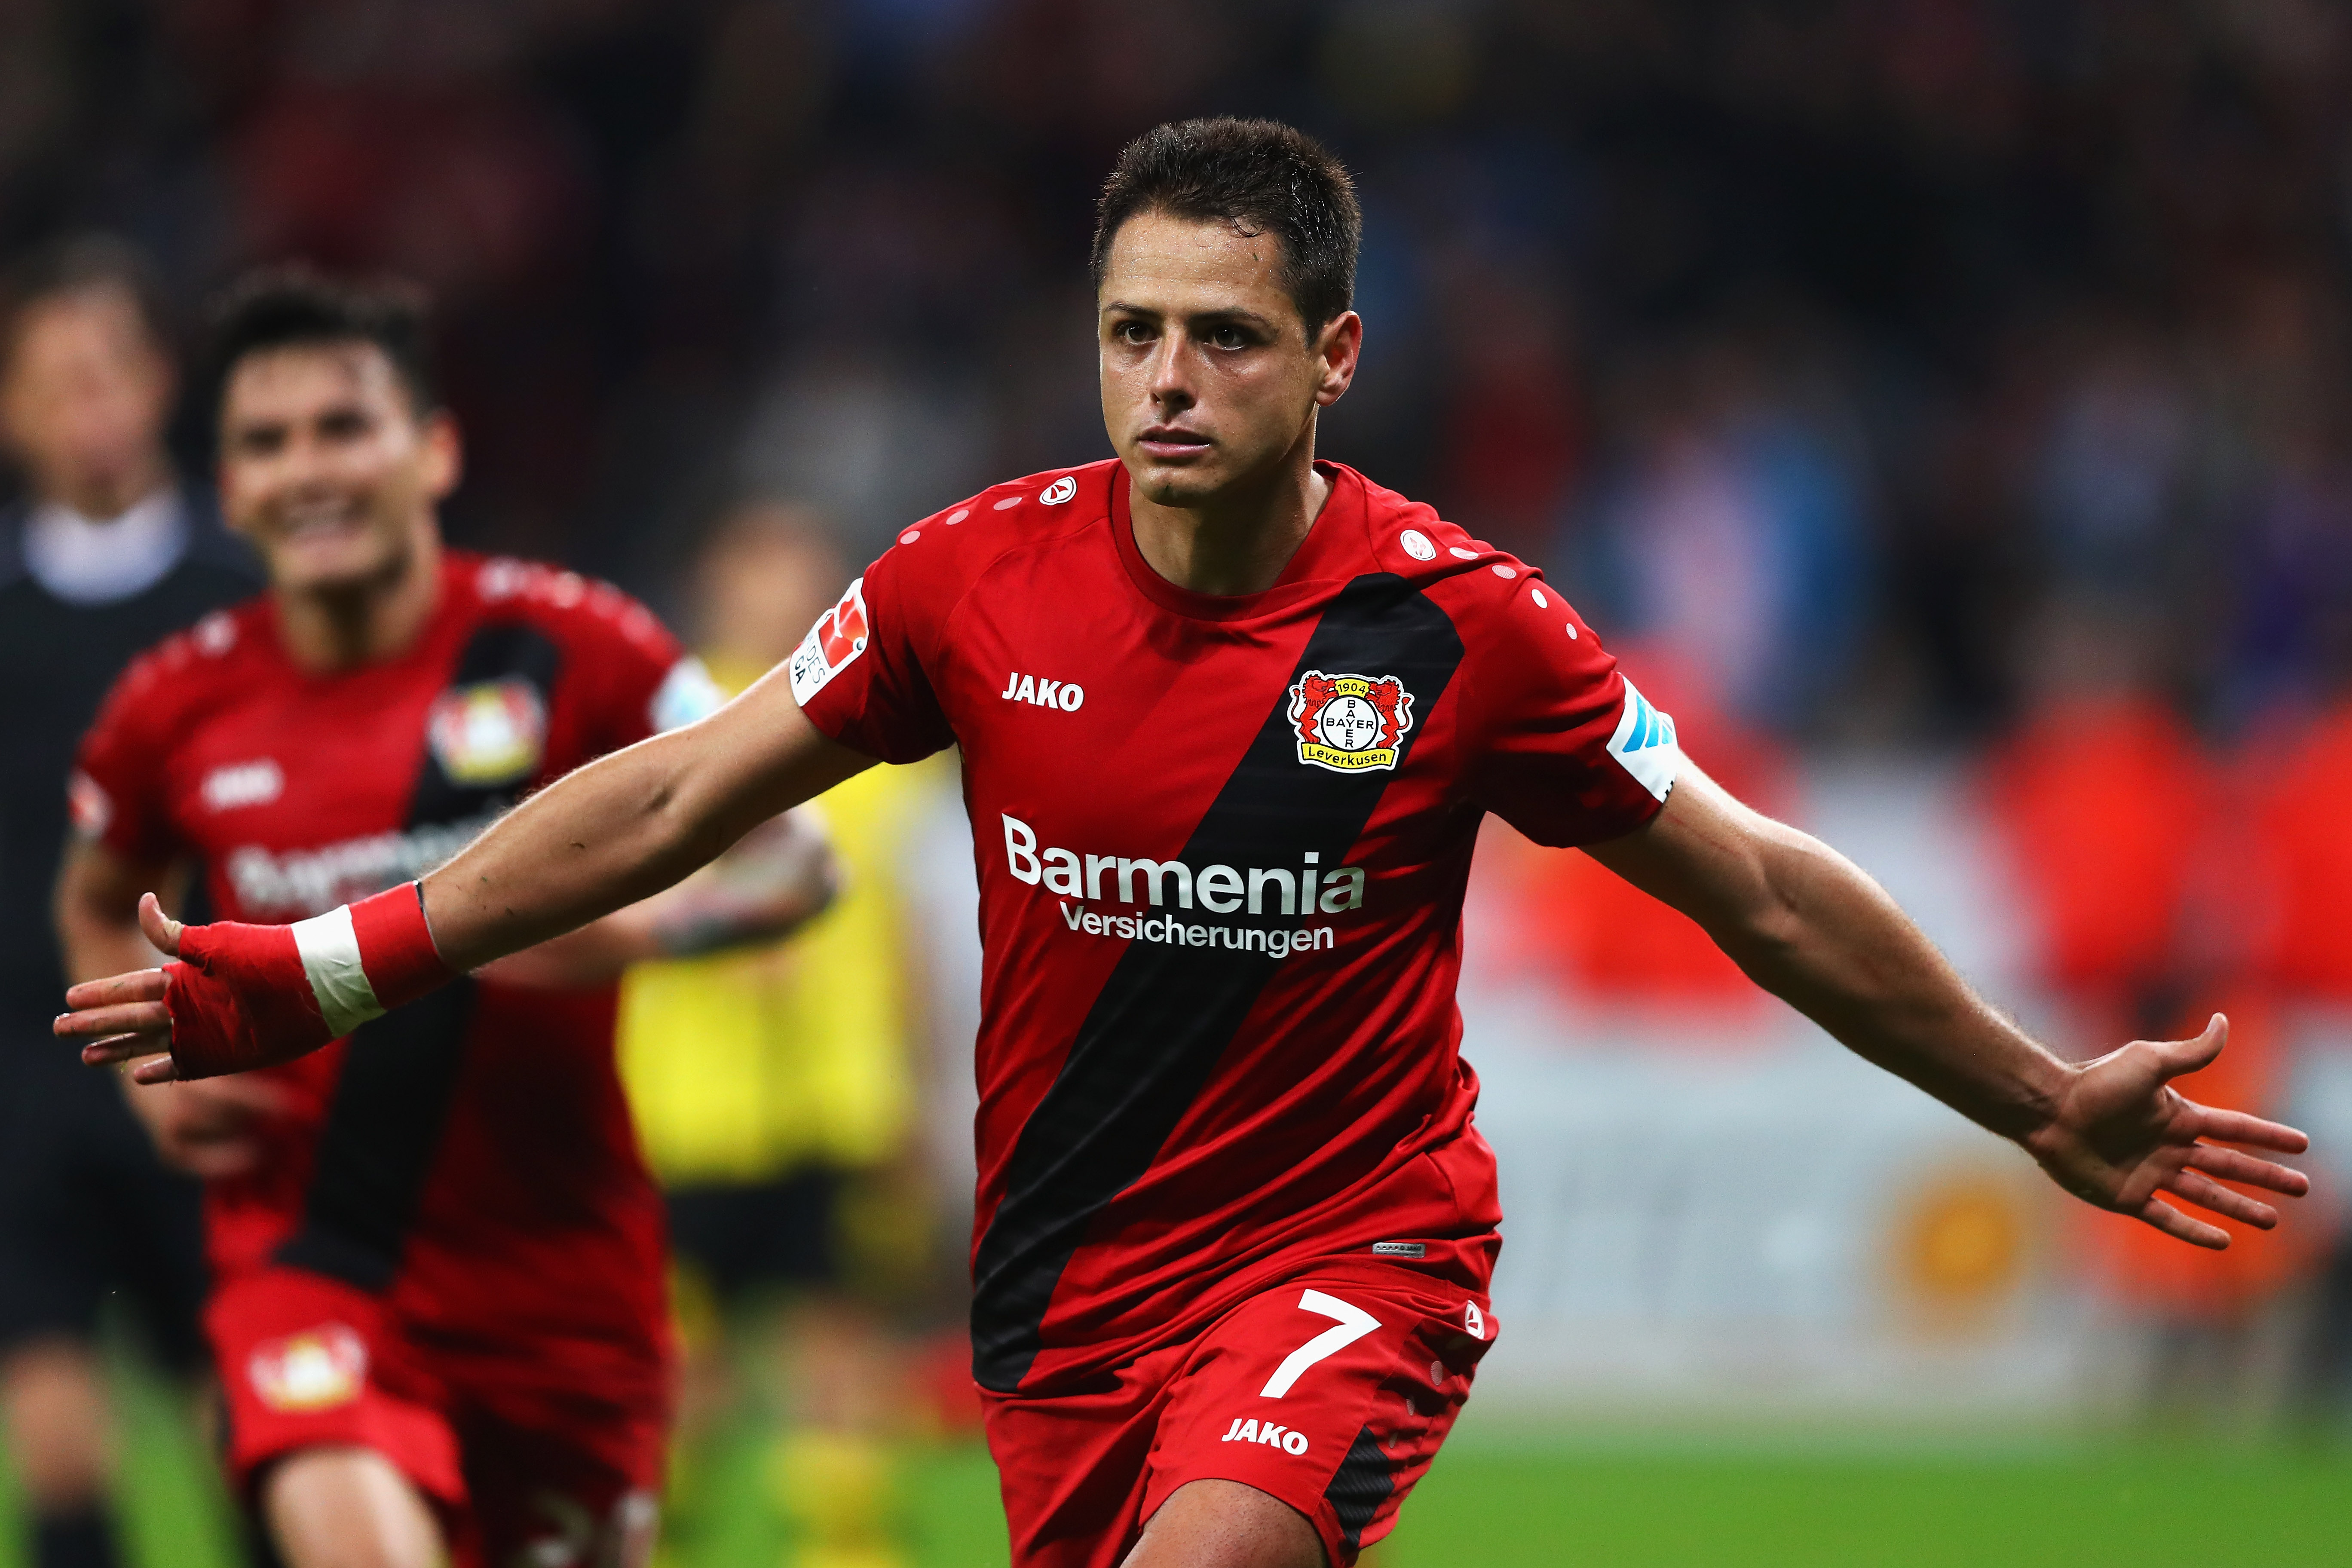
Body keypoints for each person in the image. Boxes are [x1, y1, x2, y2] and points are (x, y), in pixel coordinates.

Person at [61, 121, 2312, 1568]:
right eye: (1131, 331)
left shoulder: (1459, 631)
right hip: (1062, 1304)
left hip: (1352, 1254)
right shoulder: (973, 582)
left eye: (1223, 339)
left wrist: (2035, 1100)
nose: (1163, 379)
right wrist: (327, 963)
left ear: (1331, 356)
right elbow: (666, 796)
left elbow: (1758, 884)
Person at [53, 268, 838, 1568]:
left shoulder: (579, 645)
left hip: (564, 1282)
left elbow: (801, 867)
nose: (305, 468)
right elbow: (93, 897)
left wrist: (641, 935)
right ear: (231, 487)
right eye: (264, 441)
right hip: (309, 1258)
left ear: (433, 448)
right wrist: (147, 1089)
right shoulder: (173, 704)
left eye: (342, 428)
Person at [616, 502, 941, 1568]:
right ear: (715, 583)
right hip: (688, 1109)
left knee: (838, 1358)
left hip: (840, 1103)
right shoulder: (659, 725)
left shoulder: (884, 734)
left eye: (795, 574)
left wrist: (922, 1090)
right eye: (754, 570)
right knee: (679, 1378)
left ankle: (847, 1551)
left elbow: (907, 936)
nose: (774, 595)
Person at [0, 235, 260, 1568]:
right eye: (55, 381)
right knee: (53, 1430)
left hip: (201, 1050)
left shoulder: (247, 597)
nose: (87, 407)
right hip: (20, 1068)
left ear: (157, 382)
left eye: (108, 373)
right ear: (11, 407)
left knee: (248, 1420)